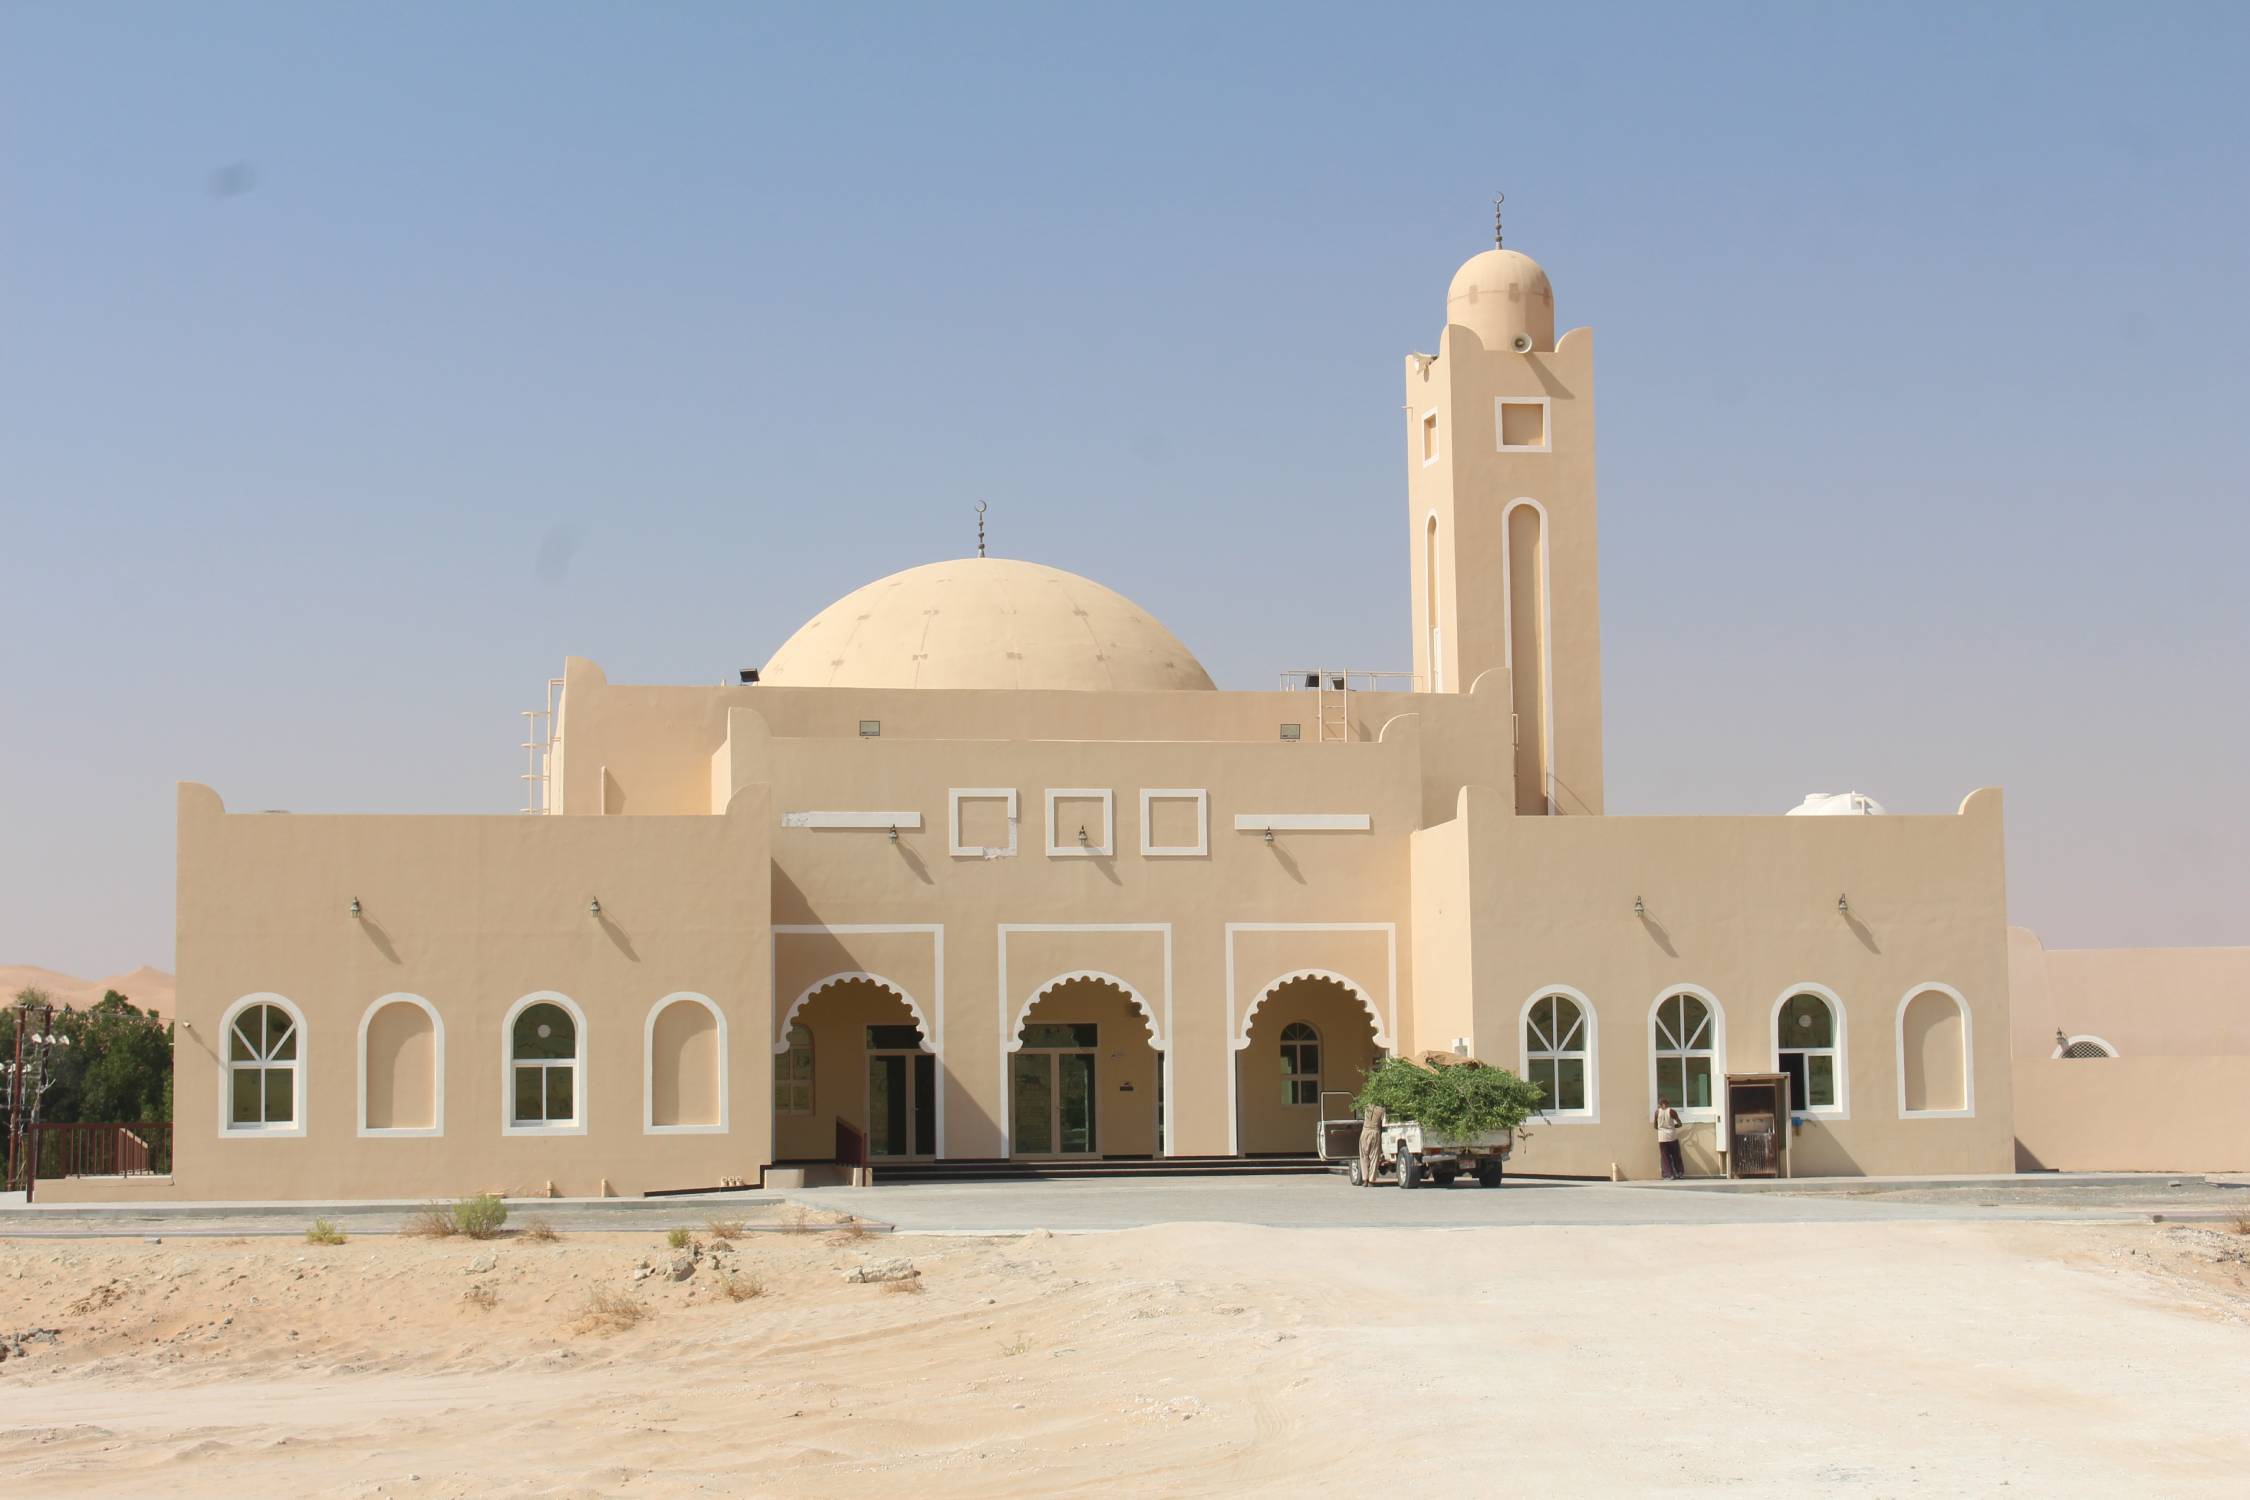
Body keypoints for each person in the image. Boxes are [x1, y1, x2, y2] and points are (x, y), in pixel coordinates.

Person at [1653, 1095, 1684, 1180]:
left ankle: (1668, 1174)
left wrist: (1661, 1128)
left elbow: (1655, 1126)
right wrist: (1673, 1126)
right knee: (1676, 1155)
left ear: (1660, 1104)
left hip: (1662, 1138)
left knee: (1665, 1157)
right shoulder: (1672, 1111)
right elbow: (1680, 1124)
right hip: (1672, 1136)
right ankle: (1679, 1172)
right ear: (1667, 1104)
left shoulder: (1657, 1112)